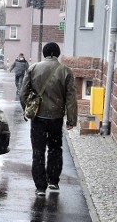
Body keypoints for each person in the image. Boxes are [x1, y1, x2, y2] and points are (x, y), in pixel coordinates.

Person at [19, 42, 77, 197]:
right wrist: (71, 119)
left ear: (44, 53)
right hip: (56, 117)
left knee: (38, 151)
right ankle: (53, 180)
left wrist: (28, 110)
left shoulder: (32, 68)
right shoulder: (66, 71)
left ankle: (40, 187)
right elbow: (71, 98)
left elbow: (22, 93)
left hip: (38, 117)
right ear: (57, 54)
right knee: (55, 149)